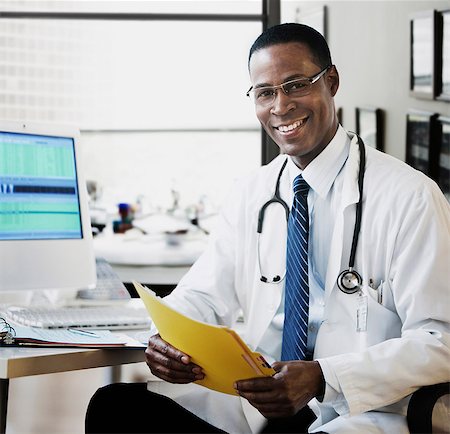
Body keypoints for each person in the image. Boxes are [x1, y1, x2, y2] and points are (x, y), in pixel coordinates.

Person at [85, 23, 450, 434]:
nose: (280, 106)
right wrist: (166, 340)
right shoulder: (251, 193)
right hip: (259, 407)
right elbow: (202, 295)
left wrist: (323, 376)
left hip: (359, 412)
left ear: (331, 81)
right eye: (265, 93)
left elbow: (441, 341)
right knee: (115, 407)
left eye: (296, 85)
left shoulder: (410, 197)